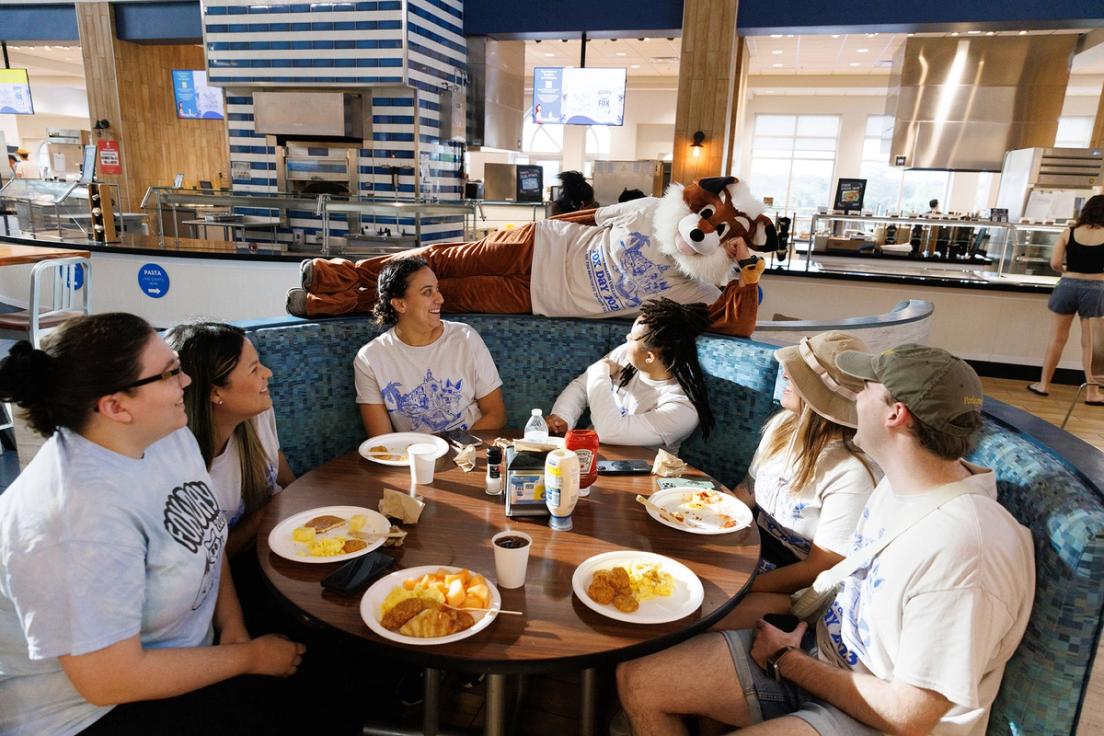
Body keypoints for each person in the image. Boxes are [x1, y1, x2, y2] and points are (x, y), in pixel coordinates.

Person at [616, 343, 1035, 736]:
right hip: (816, 653)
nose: (855, 398)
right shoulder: (901, 485)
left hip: (875, 717)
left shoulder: (965, 550)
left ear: (896, 415)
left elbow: (911, 714)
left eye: (866, 388)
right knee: (637, 680)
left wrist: (787, 661)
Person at [0, 313, 317, 735]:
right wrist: (249, 658)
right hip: (93, 712)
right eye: (169, 374)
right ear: (115, 406)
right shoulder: (76, 519)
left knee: (325, 640)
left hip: (193, 642)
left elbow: (207, 536)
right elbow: (110, 680)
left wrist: (234, 626)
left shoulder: (167, 434)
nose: (186, 383)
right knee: (307, 709)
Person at [717, 331, 878, 630]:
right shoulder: (782, 426)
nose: (786, 374)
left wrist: (744, 585)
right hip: (752, 551)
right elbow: (747, 491)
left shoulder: (851, 473)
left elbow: (820, 567)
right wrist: (699, 523)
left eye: (798, 374)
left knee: (700, 615)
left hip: (794, 586)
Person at [165, 321, 296, 558]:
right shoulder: (181, 472)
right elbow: (209, 562)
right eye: (254, 369)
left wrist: (301, 504)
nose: (268, 373)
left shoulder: (258, 413)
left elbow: (278, 464)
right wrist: (263, 517)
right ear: (215, 393)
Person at [355, 256, 507, 437]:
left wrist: (453, 450)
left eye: (437, 289)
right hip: (414, 458)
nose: (440, 299)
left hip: (471, 452)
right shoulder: (370, 359)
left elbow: (496, 415)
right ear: (400, 304)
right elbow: (382, 441)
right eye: (428, 292)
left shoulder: (465, 338)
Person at [546, 298, 714, 451]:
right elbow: (583, 386)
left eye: (632, 338)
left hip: (641, 477)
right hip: (592, 457)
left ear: (649, 356)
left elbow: (609, 431)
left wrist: (598, 371)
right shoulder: (628, 358)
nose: (626, 338)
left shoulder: (682, 409)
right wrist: (563, 416)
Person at [1029, 195, 1104, 403]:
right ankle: (1092, 392)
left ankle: (1043, 385)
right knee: (1090, 344)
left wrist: (1067, 271)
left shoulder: (1068, 232)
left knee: (1057, 339)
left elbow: (1054, 263)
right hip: (1096, 288)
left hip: (1067, 285)